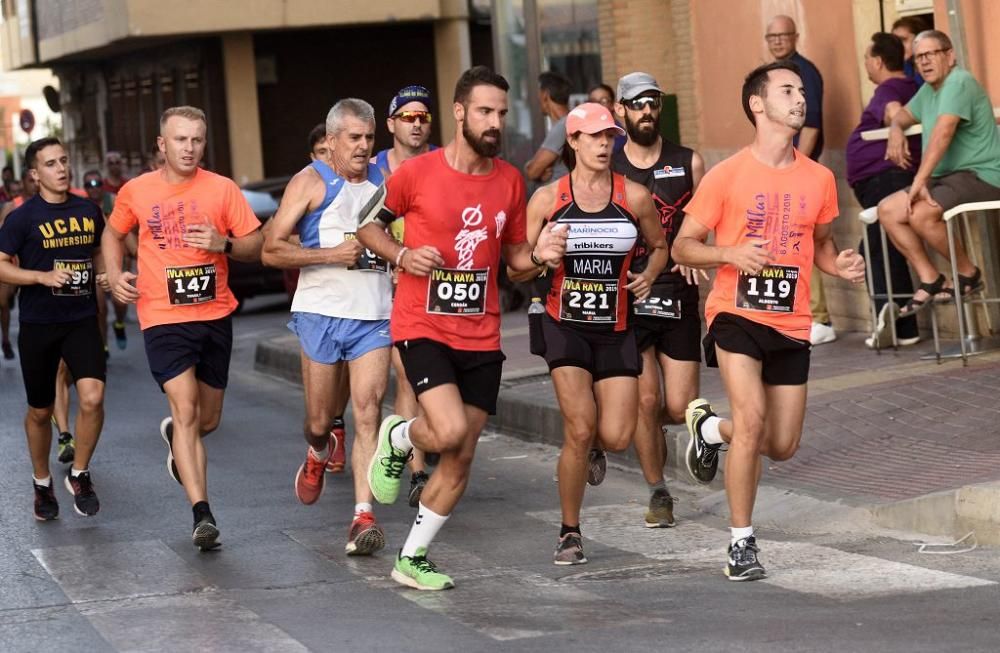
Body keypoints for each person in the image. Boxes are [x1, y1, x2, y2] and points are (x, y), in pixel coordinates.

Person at [358, 65, 567, 590]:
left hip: (482, 334)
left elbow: (515, 261)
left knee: (463, 453)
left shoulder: (510, 182)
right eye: (484, 112)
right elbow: (366, 225)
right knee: (446, 431)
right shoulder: (417, 174)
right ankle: (400, 434)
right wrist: (403, 254)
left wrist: (540, 257)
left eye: (501, 112)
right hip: (422, 324)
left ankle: (412, 558)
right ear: (459, 113)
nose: (495, 122)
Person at [673, 61, 865, 581]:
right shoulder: (727, 175)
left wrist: (839, 265)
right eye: (787, 90)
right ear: (758, 104)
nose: (799, 99)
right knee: (753, 420)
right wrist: (730, 252)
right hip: (735, 312)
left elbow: (820, 244)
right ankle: (741, 544)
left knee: (780, 445)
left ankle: (709, 430)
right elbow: (683, 245)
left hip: (791, 319)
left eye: (801, 91)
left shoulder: (820, 178)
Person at [103, 106, 263, 551]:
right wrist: (116, 276)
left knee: (206, 418)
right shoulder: (137, 191)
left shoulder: (222, 189)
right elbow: (113, 234)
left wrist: (224, 243)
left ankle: (177, 437)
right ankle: (202, 513)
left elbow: (257, 244)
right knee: (188, 408)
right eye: (180, 140)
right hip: (163, 317)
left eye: (196, 140)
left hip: (214, 315)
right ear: (162, 144)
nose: (189, 148)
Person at [520, 102, 667, 564]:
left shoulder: (634, 196)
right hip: (564, 325)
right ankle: (569, 532)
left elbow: (660, 245)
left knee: (618, 435)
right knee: (579, 428)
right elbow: (519, 268)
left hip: (617, 326)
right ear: (573, 142)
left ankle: (598, 449)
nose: (605, 145)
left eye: (610, 137)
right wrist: (541, 256)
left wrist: (648, 274)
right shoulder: (547, 199)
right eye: (595, 137)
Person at [262, 99, 393, 557]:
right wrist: (329, 256)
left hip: (373, 315)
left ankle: (363, 515)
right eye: (353, 138)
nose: (363, 147)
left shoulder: (386, 180)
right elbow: (271, 250)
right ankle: (318, 451)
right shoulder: (309, 181)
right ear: (332, 141)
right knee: (319, 421)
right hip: (319, 312)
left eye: (369, 138)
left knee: (368, 408)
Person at [611, 72, 706, 528]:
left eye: (652, 103)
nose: (645, 112)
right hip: (629, 296)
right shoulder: (607, 165)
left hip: (678, 294)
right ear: (620, 111)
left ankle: (670, 443)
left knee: (679, 406)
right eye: (636, 104)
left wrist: (698, 250)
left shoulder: (689, 162)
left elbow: (707, 220)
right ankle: (659, 491)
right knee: (645, 401)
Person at [0, 137, 108, 520]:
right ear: (34, 174)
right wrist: (40, 276)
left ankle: (80, 474)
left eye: (64, 160)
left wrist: (105, 276)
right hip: (39, 324)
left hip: (80, 320)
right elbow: (1, 264)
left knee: (93, 398)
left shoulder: (88, 210)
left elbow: (99, 249)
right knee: (39, 411)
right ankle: (42, 483)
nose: (61, 169)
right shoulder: (21, 219)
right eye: (50, 164)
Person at [878, 30, 1000, 316]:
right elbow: (902, 115)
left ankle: (968, 274)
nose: (924, 62)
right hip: (950, 178)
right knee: (888, 210)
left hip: (983, 174)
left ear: (950, 55)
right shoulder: (929, 90)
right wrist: (896, 130)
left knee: (921, 213)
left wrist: (919, 181)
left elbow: (943, 134)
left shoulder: (959, 81)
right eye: (919, 57)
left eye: (931, 54)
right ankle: (932, 279)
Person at [372, 84, 440, 505]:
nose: (416, 125)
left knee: (423, 378)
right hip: (382, 285)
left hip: (436, 287)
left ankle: (418, 458)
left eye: (423, 118)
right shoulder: (375, 168)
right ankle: (416, 470)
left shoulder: (442, 163)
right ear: (391, 123)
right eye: (408, 117)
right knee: (407, 378)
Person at [845, 33, 922, 348]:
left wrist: (894, 128)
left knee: (875, 249)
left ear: (877, 61)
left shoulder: (890, 88)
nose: (866, 63)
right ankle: (904, 328)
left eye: (866, 58)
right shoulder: (913, 87)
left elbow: (892, 111)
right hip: (885, 179)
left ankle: (889, 325)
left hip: (885, 179)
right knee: (887, 248)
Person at [764, 14, 834, 346]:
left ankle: (819, 317)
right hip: (777, 168)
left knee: (805, 239)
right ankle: (798, 313)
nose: (777, 41)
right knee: (786, 243)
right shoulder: (773, 74)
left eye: (783, 35)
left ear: (795, 36)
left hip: (798, 170)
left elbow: (812, 122)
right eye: (771, 37)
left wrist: (798, 166)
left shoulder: (804, 72)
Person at [83, 169, 133, 351]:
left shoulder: (112, 200)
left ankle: (119, 324)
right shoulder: (82, 207)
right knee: (100, 308)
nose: (94, 188)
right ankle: (103, 346)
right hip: (96, 262)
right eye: (89, 184)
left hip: (117, 260)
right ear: (85, 188)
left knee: (120, 303)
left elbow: (127, 229)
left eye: (97, 183)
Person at [0, 171, 39, 361]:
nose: (35, 184)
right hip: (14, 263)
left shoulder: (48, 205)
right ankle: (6, 339)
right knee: (3, 302)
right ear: (23, 183)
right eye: (30, 181)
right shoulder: (12, 206)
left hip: (39, 266)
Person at [525, 71, 573, 183]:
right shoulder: (570, 121)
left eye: (538, 92)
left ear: (545, 94)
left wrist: (531, 167)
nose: (537, 98)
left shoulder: (563, 126)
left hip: (562, 196)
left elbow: (532, 171)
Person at [588, 83, 627, 152]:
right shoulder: (586, 133)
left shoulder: (620, 135)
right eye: (593, 101)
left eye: (604, 101)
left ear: (613, 105)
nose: (598, 105)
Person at [892, 16, 928, 87]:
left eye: (903, 40)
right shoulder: (901, 69)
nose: (898, 45)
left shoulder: (935, 65)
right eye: (894, 41)